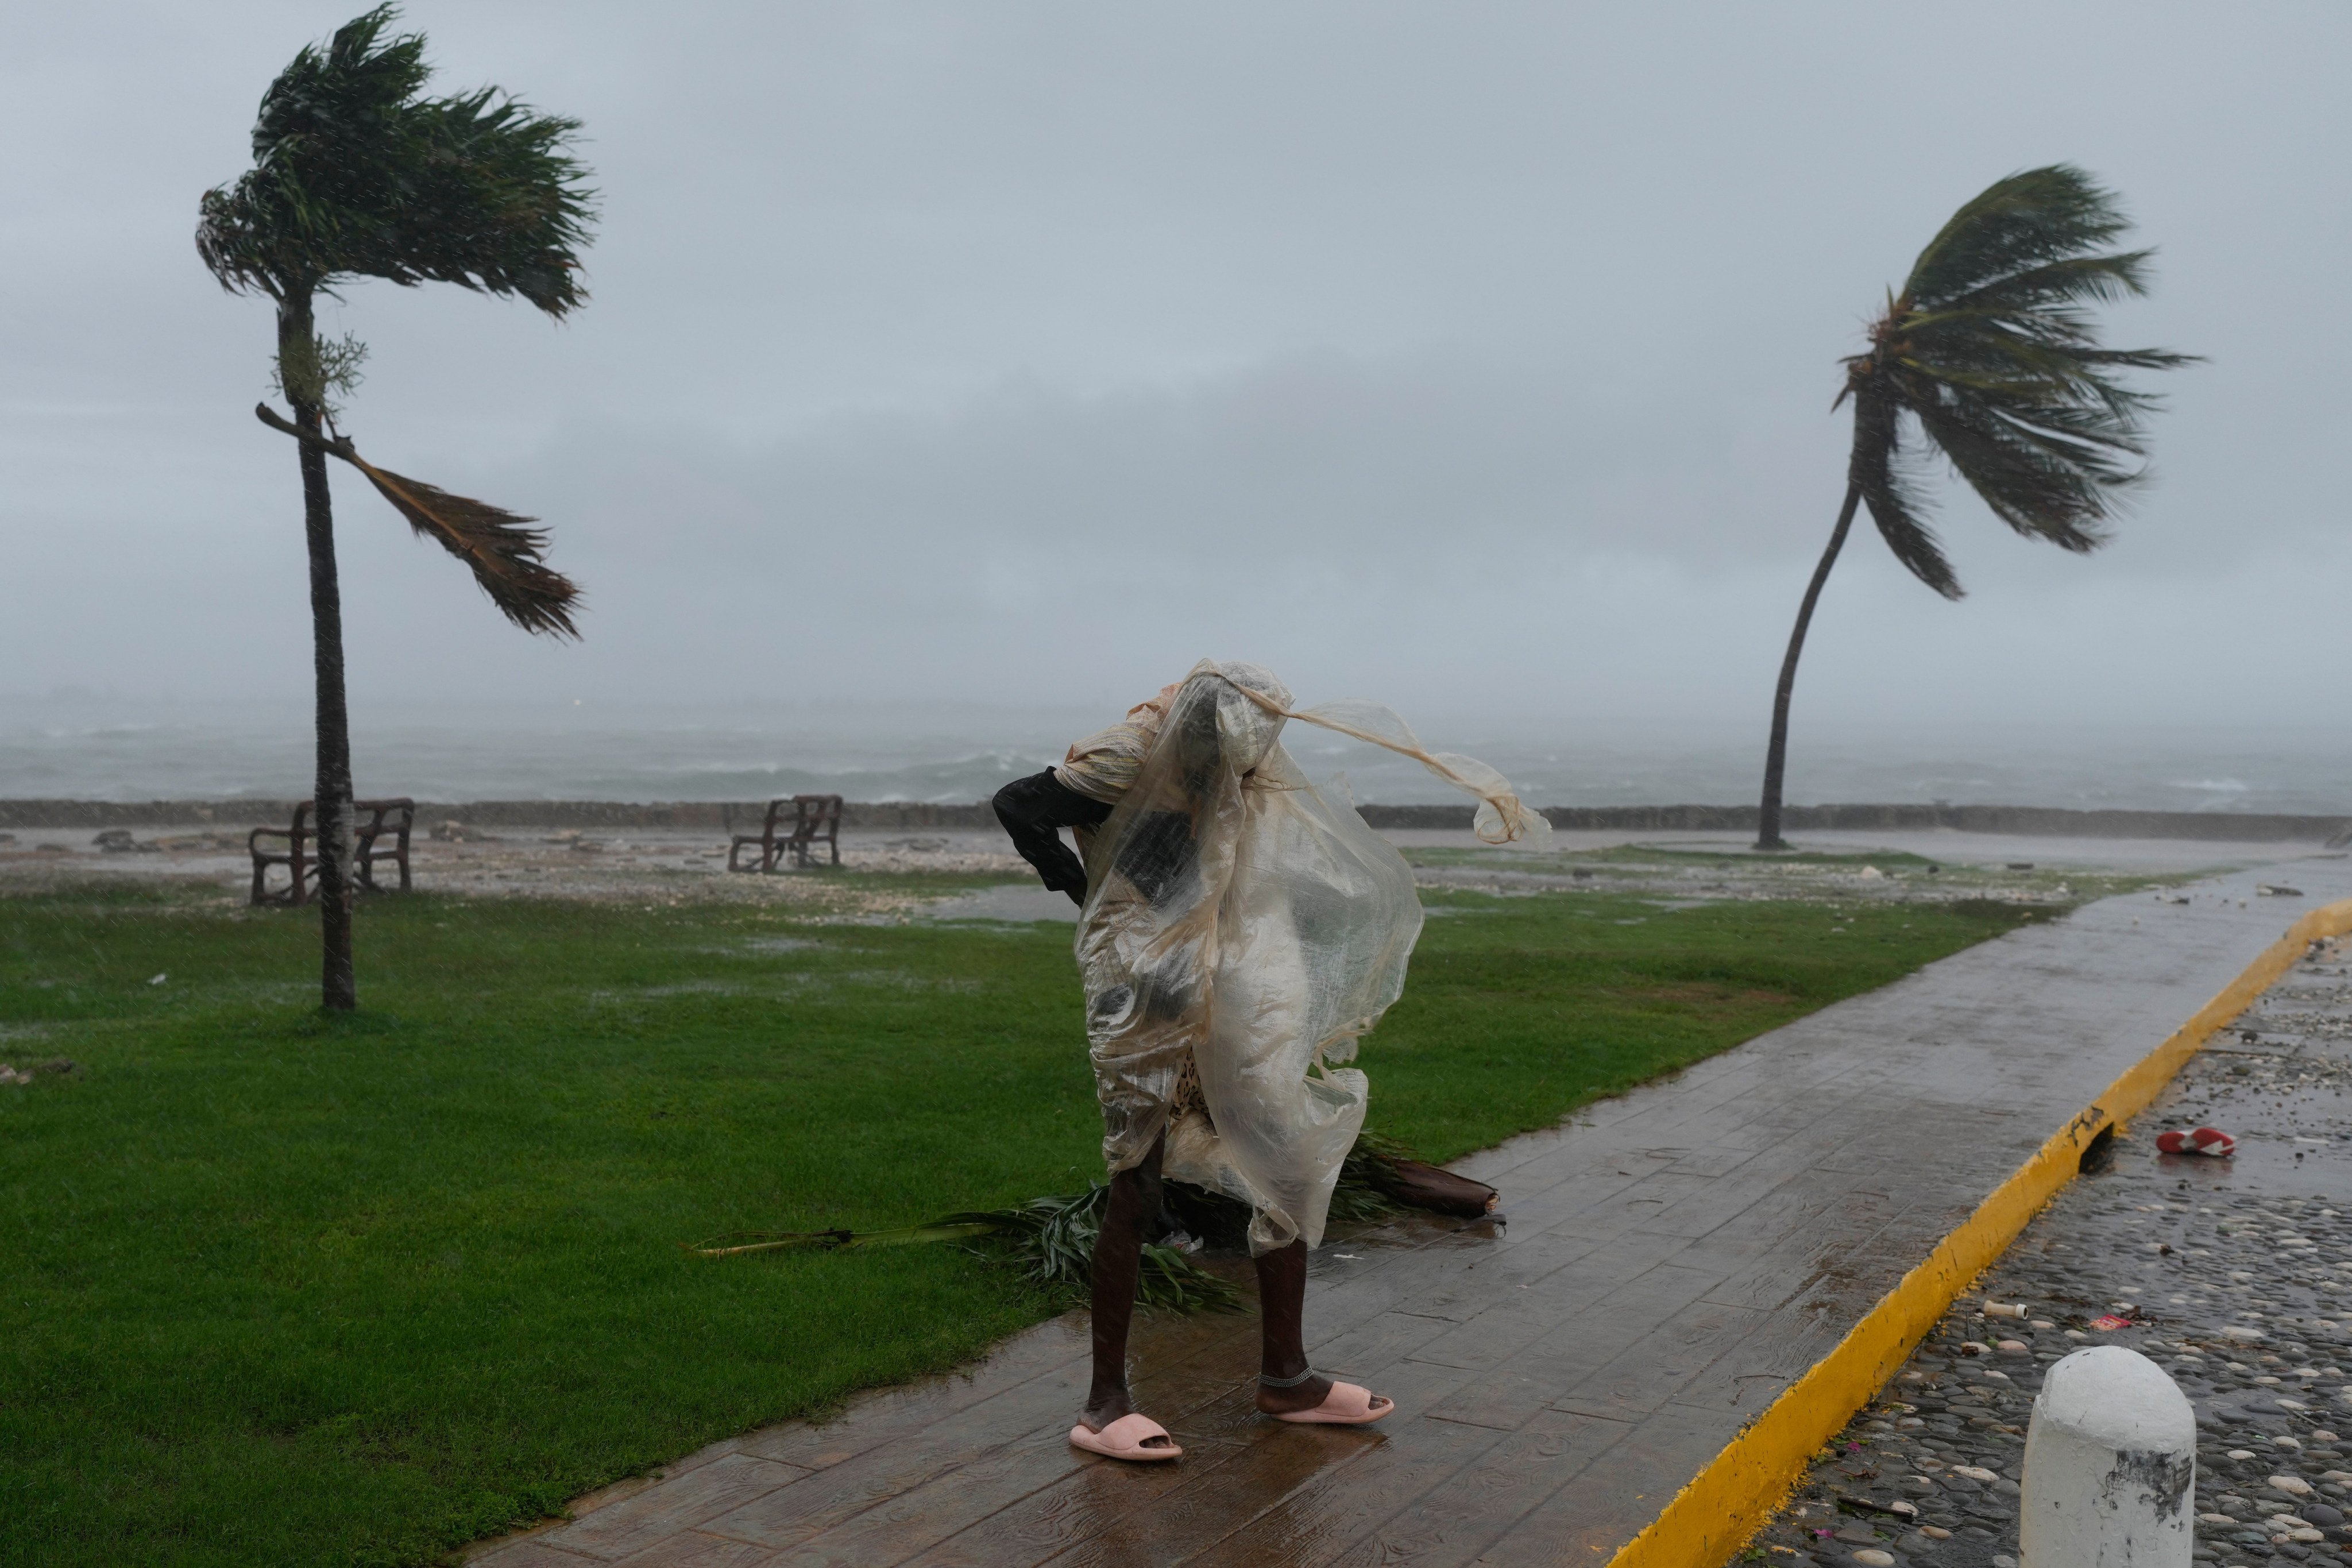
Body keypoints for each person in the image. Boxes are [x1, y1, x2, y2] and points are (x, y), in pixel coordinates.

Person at [992, 660, 1546, 1462]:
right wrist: (1091, 894)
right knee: (1137, 1177)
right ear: (1204, 728)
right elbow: (1019, 803)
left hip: (1227, 960)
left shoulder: (1247, 753)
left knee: (1283, 1157)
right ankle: (1103, 1401)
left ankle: (1286, 1377)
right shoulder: (1127, 755)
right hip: (1143, 976)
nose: (1258, 758)